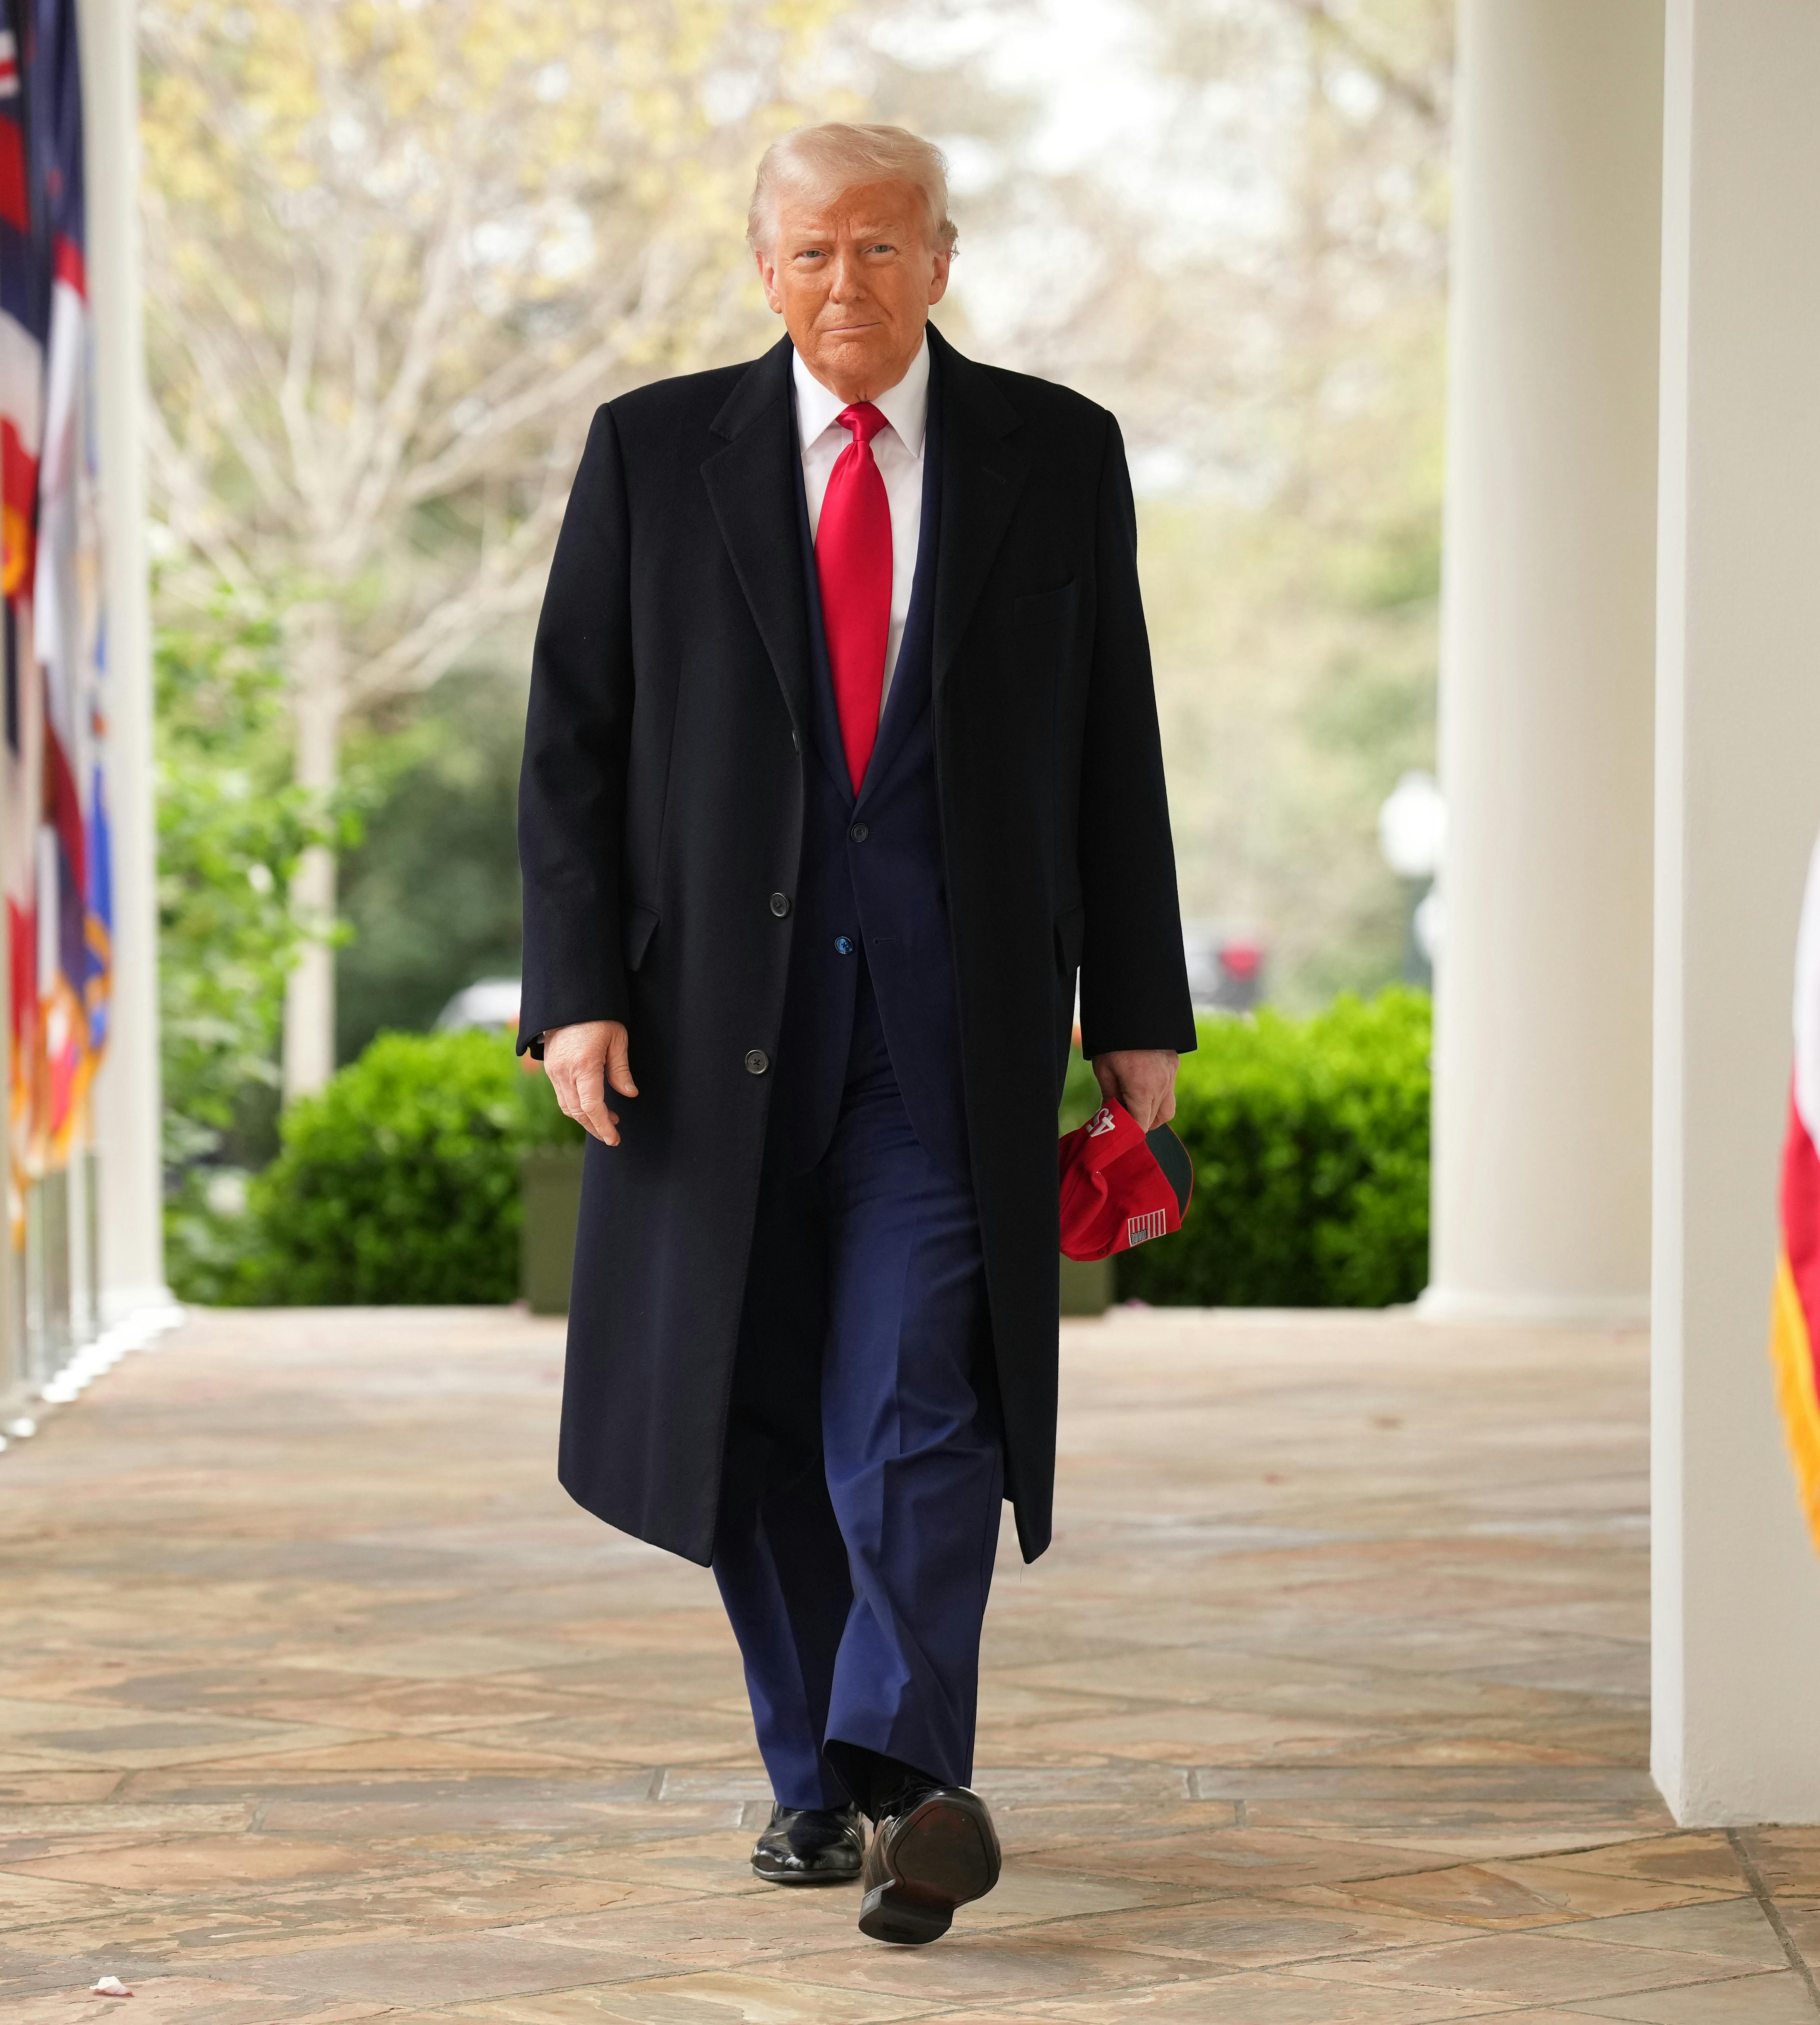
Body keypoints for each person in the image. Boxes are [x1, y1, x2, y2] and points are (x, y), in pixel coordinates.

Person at [517, 120, 1194, 1947]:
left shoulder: (1056, 455)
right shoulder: (656, 454)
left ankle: (902, 1771)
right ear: (763, 269)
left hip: (945, 1034)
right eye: (811, 254)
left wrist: (1137, 1008)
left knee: (911, 1398)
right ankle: (820, 1781)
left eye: (881, 252)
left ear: (943, 260)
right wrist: (570, 990)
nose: (846, 287)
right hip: (704, 1032)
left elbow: (1110, 737)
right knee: (748, 1409)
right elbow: (572, 738)